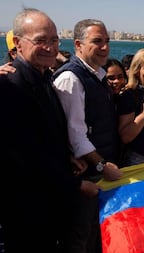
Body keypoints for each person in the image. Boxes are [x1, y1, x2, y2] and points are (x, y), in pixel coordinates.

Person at [0, 8, 99, 252]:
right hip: (27, 206)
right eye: (40, 40)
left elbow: (47, 134)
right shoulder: (10, 86)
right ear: (19, 44)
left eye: (54, 40)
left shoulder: (44, 78)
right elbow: (26, 153)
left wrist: (68, 157)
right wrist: (76, 185)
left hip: (50, 201)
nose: (50, 47)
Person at [53, 18, 123, 253]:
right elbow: (74, 134)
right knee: (80, 239)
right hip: (88, 176)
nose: (105, 47)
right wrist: (103, 165)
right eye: (97, 41)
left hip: (100, 174)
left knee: (96, 235)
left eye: (107, 41)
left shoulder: (97, 76)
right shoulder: (70, 79)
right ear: (78, 45)